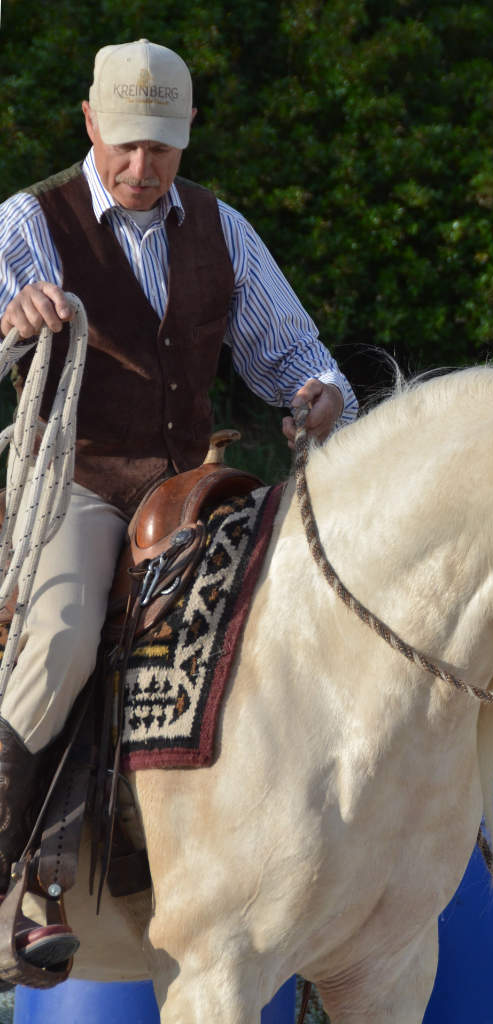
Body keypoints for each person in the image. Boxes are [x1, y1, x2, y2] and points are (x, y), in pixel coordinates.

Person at [0, 39, 358, 969]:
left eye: (159, 147)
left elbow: (293, 353)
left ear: (188, 133)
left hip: (196, 491)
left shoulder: (220, 228)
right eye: (123, 144)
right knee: (65, 637)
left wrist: (320, 396)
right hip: (77, 484)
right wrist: (14, 320)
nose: (139, 167)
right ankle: (9, 877)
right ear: (89, 124)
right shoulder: (30, 223)